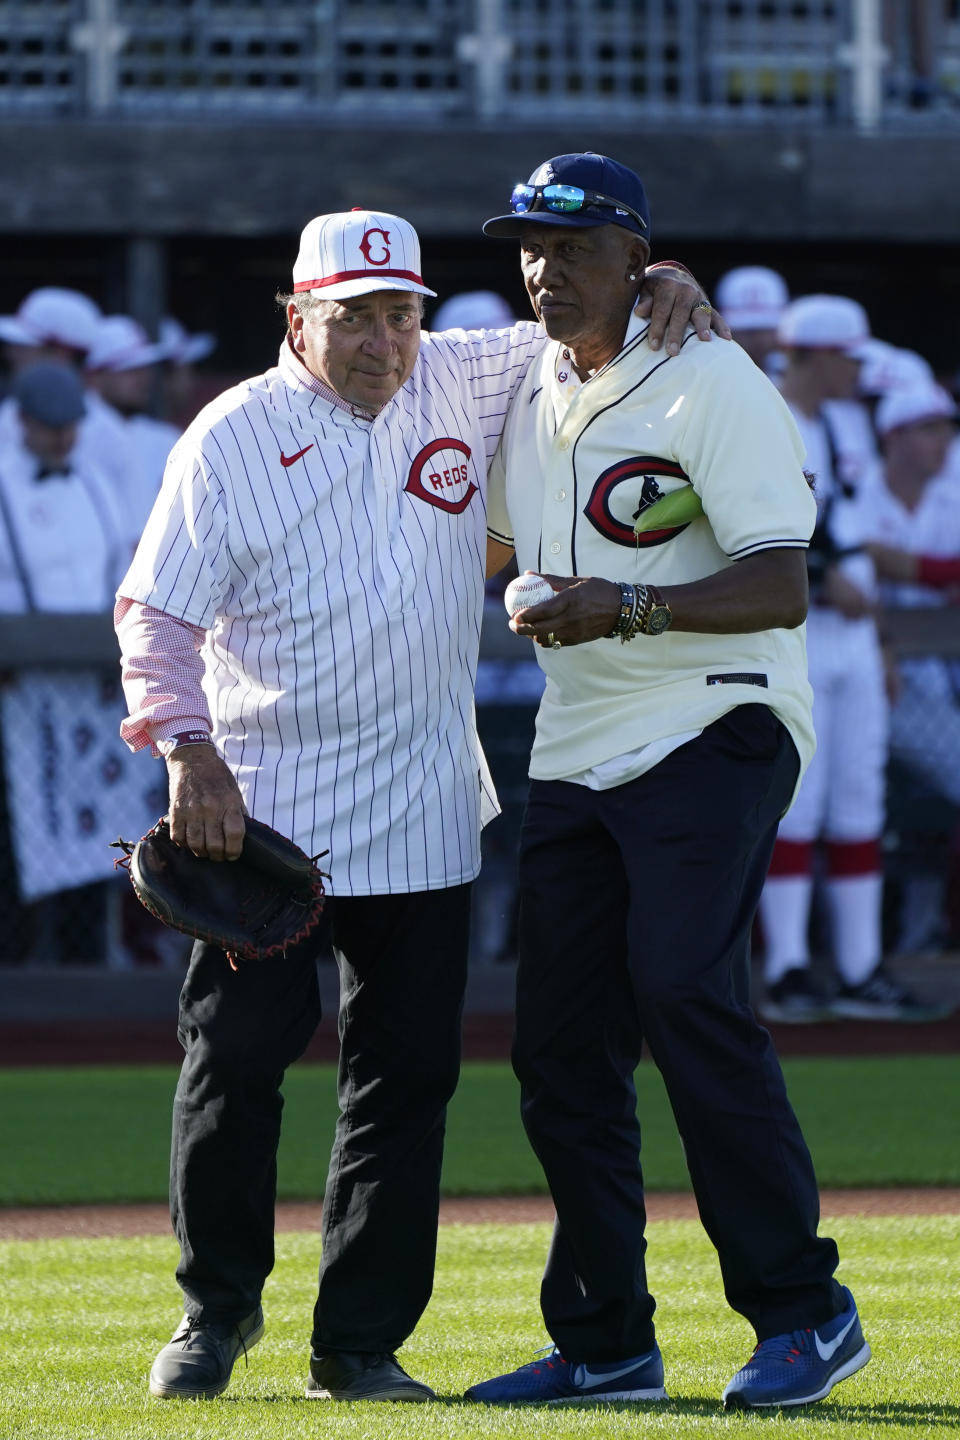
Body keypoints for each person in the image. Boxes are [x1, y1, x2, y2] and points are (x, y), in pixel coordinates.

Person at [114, 205, 718, 1404]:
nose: (387, 340)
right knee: (230, 1068)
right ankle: (213, 1316)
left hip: (425, 805)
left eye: (403, 311)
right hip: (262, 812)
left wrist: (668, 280)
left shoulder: (469, 368)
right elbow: (156, 614)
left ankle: (358, 1344)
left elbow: (585, 309)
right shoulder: (228, 435)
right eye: (355, 317)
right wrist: (186, 752)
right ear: (299, 317)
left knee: (404, 1088)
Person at [466, 151, 870, 1411]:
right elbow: (488, 551)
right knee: (557, 1049)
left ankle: (807, 1312)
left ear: (639, 260)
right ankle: (605, 1342)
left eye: (575, 247)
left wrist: (623, 603)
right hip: (582, 744)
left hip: (721, 717)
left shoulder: (713, 377)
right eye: (529, 246)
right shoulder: (519, 386)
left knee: (683, 988)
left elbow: (780, 582)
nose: (544, 270)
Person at [757, 296, 939, 1022]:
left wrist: (885, 641)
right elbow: (762, 524)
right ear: (813, 354)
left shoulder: (844, 419)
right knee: (798, 802)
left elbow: (852, 526)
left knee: (859, 798)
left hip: (855, 639)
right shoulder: (766, 413)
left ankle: (862, 968)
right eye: (847, 358)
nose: (857, 372)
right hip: (797, 629)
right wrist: (824, 569)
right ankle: (791, 967)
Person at [0, 364, 159, 965]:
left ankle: (86, 956)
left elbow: (122, 562)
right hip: (19, 688)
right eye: (51, 428)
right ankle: (14, 969)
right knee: (18, 831)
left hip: (91, 687)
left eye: (70, 427)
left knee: (96, 829)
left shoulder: (96, 481)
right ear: (23, 424)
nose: (63, 439)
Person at [863, 381, 960, 961]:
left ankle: (930, 928)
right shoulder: (860, 495)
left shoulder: (952, 494)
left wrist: (904, 567)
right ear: (893, 436)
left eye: (946, 430)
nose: (942, 442)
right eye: (928, 430)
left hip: (937, 682)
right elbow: (841, 558)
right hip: (880, 675)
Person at [85, 314, 181, 538]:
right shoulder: (76, 432)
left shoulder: (167, 438)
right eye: (129, 369)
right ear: (94, 376)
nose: (142, 378)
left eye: (144, 368)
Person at [713, 264, 789, 377]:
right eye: (747, 331)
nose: (757, 340)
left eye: (764, 329)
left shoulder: (801, 376)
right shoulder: (711, 373)